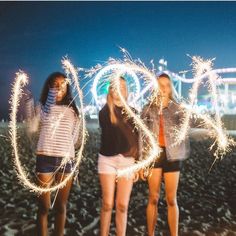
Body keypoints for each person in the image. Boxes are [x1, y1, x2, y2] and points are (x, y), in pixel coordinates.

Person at [25, 72, 80, 236]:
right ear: (49, 87)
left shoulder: (73, 111)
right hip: (45, 159)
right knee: (44, 206)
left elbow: (75, 139)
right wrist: (29, 102)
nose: (59, 87)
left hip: (65, 161)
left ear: (67, 87)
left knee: (61, 206)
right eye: (55, 84)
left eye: (63, 84)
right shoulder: (42, 107)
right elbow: (32, 127)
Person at [140, 73, 191, 236]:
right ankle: (150, 233)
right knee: (153, 198)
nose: (163, 88)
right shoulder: (148, 108)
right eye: (160, 84)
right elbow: (141, 135)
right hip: (153, 156)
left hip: (172, 155)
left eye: (166, 85)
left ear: (170, 88)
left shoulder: (177, 108)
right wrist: (141, 161)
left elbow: (185, 130)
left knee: (171, 199)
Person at [98, 77, 139, 236]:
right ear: (111, 90)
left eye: (123, 86)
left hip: (127, 162)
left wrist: (137, 164)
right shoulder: (104, 112)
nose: (120, 88)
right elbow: (110, 136)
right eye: (116, 86)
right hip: (107, 160)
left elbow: (137, 141)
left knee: (122, 205)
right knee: (107, 204)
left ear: (126, 90)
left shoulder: (133, 113)